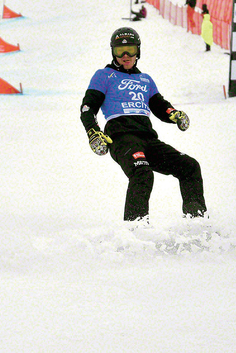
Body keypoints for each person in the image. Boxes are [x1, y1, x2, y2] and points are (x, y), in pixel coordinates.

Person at [80, 27, 207, 222]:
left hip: (148, 138)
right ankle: (134, 231)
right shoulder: (104, 75)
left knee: (189, 166)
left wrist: (174, 114)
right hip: (121, 137)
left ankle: (196, 220)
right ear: (112, 52)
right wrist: (93, 132)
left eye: (130, 50)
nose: (125, 55)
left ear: (138, 51)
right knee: (142, 173)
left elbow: (159, 106)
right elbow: (88, 108)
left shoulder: (145, 79)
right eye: (119, 51)